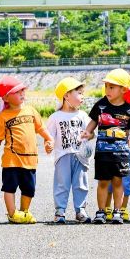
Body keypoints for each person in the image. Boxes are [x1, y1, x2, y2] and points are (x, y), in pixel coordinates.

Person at [0, 76, 54, 224]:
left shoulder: (31, 110)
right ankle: (12, 214)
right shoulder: (3, 116)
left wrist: (49, 139)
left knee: (29, 189)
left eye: (22, 90)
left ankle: (24, 212)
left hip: (30, 159)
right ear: (6, 97)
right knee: (9, 188)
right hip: (11, 159)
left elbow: (41, 128)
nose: (22, 94)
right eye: (17, 92)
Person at [81, 69, 130, 225]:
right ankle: (102, 211)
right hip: (102, 152)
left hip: (121, 153)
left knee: (118, 182)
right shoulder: (100, 105)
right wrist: (88, 132)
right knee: (103, 182)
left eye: (112, 87)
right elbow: (92, 124)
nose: (108, 90)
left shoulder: (129, 110)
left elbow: (127, 132)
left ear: (123, 90)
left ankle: (117, 211)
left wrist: (128, 145)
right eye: (106, 86)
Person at [47, 77, 91, 224]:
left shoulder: (83, 115)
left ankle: (81, 210)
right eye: (78, 93)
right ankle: (60, 211)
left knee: (81, 183)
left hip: (81, 156)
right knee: (62, 183)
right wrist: (49, 144)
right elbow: (50, 136)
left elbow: (91, 133)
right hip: (63, 156)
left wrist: (89, 135)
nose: (82, 96)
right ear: (66, 95)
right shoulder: (55, 117)